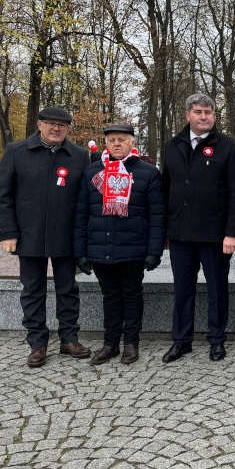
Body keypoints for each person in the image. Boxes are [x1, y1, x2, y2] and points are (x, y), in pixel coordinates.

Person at [0, 106, 92, 367]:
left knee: (68, 289)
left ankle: (69, 339)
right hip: (29, 234)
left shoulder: (80, 156)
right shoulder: (16, 151)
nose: (56, 128)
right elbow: (2, 196)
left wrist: (83, 237)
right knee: (33, 290)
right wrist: (7, 232)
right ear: (39, 124)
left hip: (65, 235)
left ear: (69, 128)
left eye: (62, 124)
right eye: (50, 123)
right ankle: (37, 343)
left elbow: (86, 200)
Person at [160, 93, 235, 363]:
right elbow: (166, 188)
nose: (204, 116)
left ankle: (216, 340)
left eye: (208, 112)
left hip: (215, 235)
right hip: (181, 234)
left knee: (217, 290)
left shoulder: (230, 147)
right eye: (198, 112)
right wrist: (165, 232)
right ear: (188, 115)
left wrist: (233, 233)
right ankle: (181, 340)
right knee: (182, 289)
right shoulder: (172, 146)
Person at [73, 124, 165, 365]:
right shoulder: (92, 173)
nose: (117, 144)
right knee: (110, 297)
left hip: (133, 248)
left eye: (122, 139)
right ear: (106, 144)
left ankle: (131, 343)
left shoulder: (148, 173)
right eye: (112, 139)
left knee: (132, 295)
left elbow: (157, 216)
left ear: (132, 143)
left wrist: (154, 251)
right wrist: (80, 252)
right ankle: (110, 343)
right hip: (100, 247)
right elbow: (82, 213)